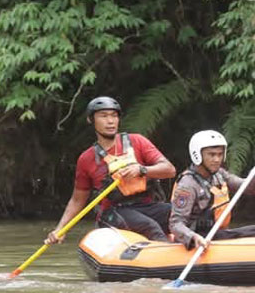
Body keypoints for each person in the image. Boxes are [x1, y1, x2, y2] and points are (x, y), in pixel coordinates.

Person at [45, 96, 177, 245]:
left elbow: (169, 170)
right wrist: (60, 229)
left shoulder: (137, 141)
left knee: (184, 214)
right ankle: (165, 255)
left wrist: (141, 169)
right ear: (91, 120)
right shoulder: (86, 159)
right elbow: (77, 200)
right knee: (149, 226)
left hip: (146, 206)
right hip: (114, 213)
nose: (110, 121)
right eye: (103, 116)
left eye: (114, 116)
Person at [169, 130, 255, 250]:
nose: (216, 159)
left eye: (220, 154)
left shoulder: (219, 174)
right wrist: (193, 237)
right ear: (197, 155)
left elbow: (248, 188)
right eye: (212, 155)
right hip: (201, 237)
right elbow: (175, 223)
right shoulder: (187, 185)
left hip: (217, 232)